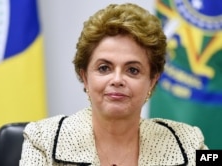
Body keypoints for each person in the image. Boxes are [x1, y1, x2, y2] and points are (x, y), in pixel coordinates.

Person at [20, 3, 208, 166]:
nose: (117, 79)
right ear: (84, 77)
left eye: (133, 70)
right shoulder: (42, 140)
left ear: (152, 81)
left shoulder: (189, 143)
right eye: (104, 68)